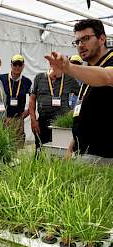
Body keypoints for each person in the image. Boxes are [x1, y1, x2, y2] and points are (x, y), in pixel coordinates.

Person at [45, 19, 113, 160]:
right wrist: (71, 147)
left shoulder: (109, 62)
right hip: (84, 154)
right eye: (78, 41)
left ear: (102, 39)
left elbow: (107, 77)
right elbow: (83, 114)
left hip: (105, 156)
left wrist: (68, 67)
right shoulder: (88, 71)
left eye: (86, 39)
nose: (81, 45)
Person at [29, 66, 80, 153]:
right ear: (51, 66)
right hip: (42, 122)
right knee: (40, 150)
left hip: (61, 123)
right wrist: (33, 120)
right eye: (54, 76)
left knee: (60, 151)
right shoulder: (39, 77)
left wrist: (74, 110)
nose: (55, 79)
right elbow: (32, 99)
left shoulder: (69, 79)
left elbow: (82, 95)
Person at [0, 54, 32, 147]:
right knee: (2, 143)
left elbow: (33, 98)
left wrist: (28, 111)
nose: (17, 67)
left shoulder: (27, 82)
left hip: (18, 118)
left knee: (18, 144)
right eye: (15, 64)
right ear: (11, 65)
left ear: (23, 66)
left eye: (20, 65)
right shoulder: (1, 78)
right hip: (3, 117)